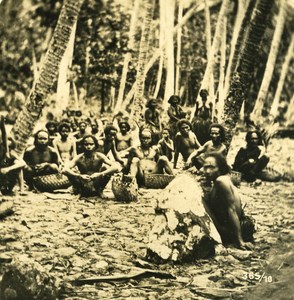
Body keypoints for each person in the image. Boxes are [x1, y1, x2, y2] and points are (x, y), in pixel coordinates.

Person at [202, 152, 254, 249]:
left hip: (231, 231)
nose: (208, 171)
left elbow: (232, 209)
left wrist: (239, 241)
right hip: (232, 228)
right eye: (205, 167)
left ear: (220, 168)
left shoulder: (221, 181)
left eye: (212, 167)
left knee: (199, 199)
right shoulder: (221, 180)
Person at [0, 118, 25, 195]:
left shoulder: (9, 152)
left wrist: (7, 169)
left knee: (17, 166)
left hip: (6, 178)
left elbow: (4, 134)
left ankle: (22, 189)